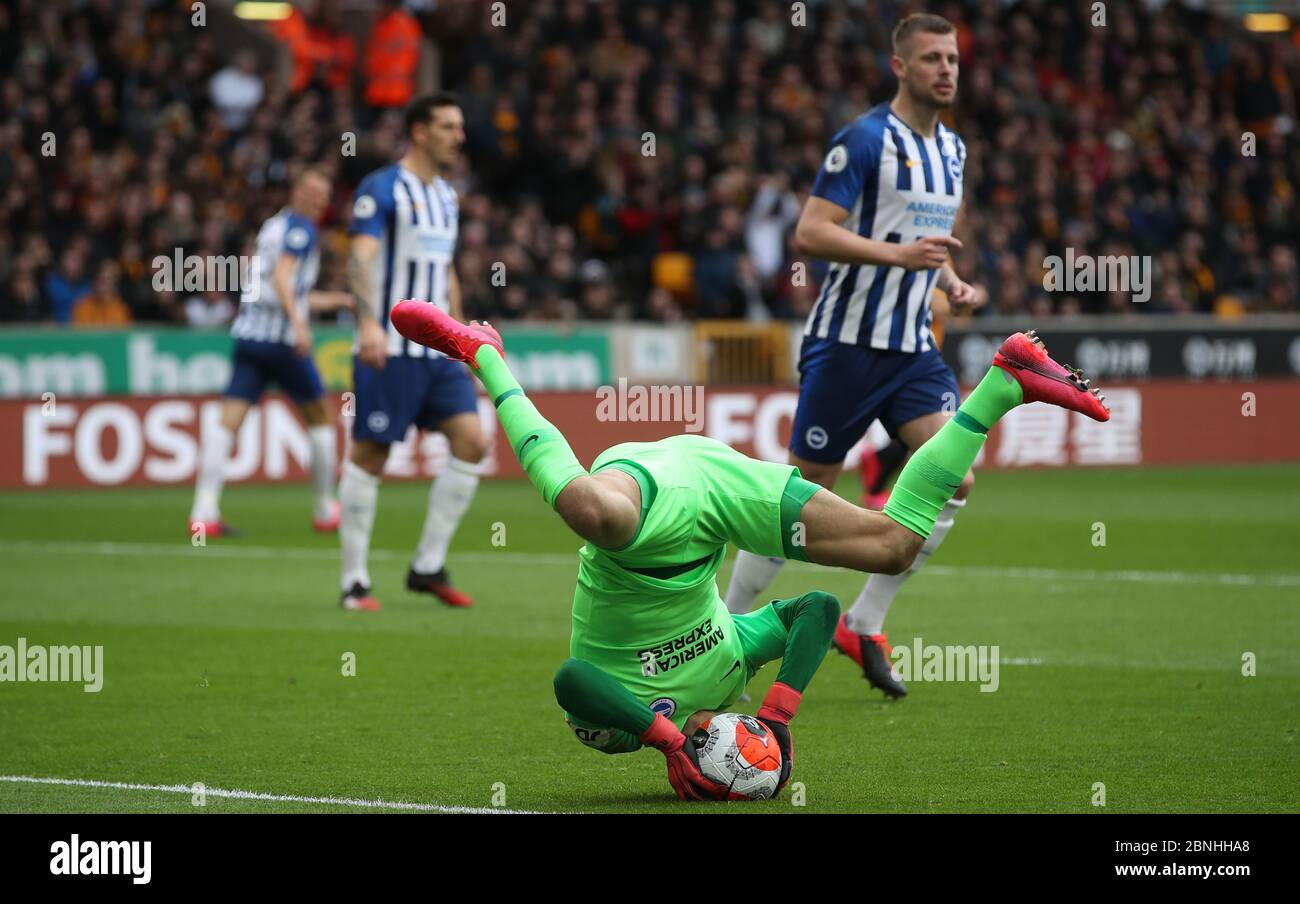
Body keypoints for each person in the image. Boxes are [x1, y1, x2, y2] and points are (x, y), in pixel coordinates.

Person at [387, 299, 1108, 800]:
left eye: (735, 752)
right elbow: (816, 611)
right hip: (723, 493)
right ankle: (1004, 384)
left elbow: (571, 681)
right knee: (891, 546)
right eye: (744, 751)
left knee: (586, 511)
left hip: (646, 515)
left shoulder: (617, 733)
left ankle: (482, 355)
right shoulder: (732, 659)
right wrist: (781, 718)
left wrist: (664, 740)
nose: (732, 743)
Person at [725, 12, 984, 698]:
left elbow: (923, 240)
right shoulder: (864, 140)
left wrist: (948, 280)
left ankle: (864, 619)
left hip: (912, 353)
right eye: (932, 58)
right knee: (799, 499)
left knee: (956, 481)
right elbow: (810, 234)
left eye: (952, 58)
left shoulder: (952, 151)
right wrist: (901, 257)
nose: (946, 70)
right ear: (900, 67)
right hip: (845, 347)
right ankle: (725, 630)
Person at [338, 93, 488, 612]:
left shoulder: (446, 195)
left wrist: (461, 338)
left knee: (472, 441)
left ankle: (427, 566)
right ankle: (354, 582)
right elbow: (360, 258)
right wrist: (367, 324)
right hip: (390, 347)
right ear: (420, 131)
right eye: (448, 126)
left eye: (459, 126)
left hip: (436, 353)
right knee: (372, 453)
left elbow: (444, 270)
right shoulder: (382, 188)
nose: (458, 136)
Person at [188, 167, 352, 538]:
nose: (317, 199)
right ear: (296, 192)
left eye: (323, 195)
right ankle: (326, 508)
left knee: (227, 422)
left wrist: (338, 300)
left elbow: (286, 288)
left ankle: (203, 513)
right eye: (311, 191)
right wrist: (298, 324)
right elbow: (283, 279)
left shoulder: (272, 227)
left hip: (249, 337)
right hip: (281, 343)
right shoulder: (301, 230)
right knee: (322, 419)